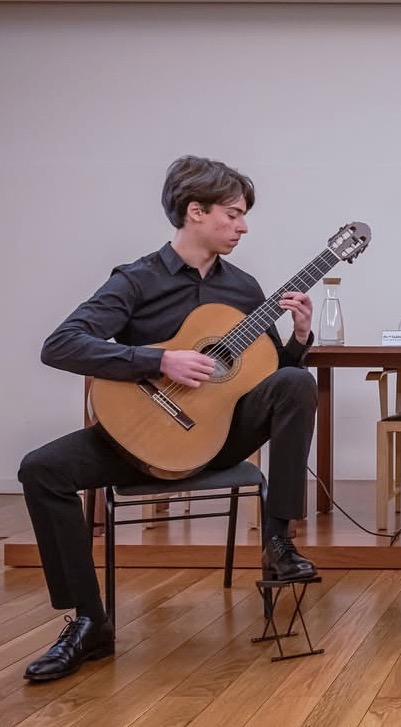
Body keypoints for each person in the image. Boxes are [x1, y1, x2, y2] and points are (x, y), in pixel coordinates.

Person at [18, 155, 319, 681]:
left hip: (219, 436)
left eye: (245, 215)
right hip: (144, 438)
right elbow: (61, 345)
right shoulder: (135, 281)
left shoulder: (246, 289)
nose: (244, 226)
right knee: (41, 469)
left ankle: (278, 542)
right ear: (195, 211)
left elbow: (269, 379)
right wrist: (158, 360)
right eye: (233, 214)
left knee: (297, 381)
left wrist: (299, 339)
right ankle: (89, 622)